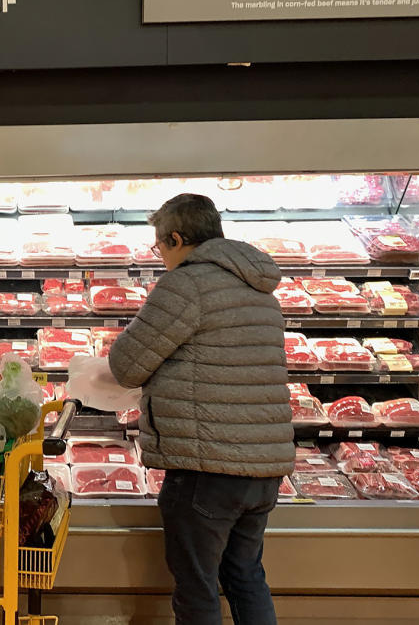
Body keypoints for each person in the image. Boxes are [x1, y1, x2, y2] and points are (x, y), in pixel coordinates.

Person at [108, 193, 294, 625]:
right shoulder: (258, 286)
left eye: (160, 247)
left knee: (197, 590)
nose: (161, 258)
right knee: (246, 576)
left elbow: (126, 365)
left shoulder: (187, 283)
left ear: (176, 238)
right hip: (263, 470)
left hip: (207, 470)